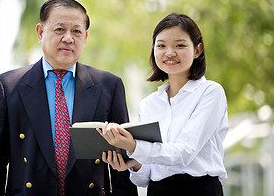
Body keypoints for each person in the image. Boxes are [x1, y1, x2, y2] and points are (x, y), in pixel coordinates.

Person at [0, 0, 138, 196]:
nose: (68, 38)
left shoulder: (108, 85)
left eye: (77, 31)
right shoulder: (8, 87)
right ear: (40, 32)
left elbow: (122, 166)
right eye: (60, 29)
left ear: (85, 37)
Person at [97, 13, 228, 196]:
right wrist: (133, 163)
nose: (169, 52)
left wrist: (134, 147)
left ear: (198, 50)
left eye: (180, 45)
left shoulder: (210, 92)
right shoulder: (148, 104)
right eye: (161, 45)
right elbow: (145, 178)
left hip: (199, 190)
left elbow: (185, 152)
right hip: (158, 191)